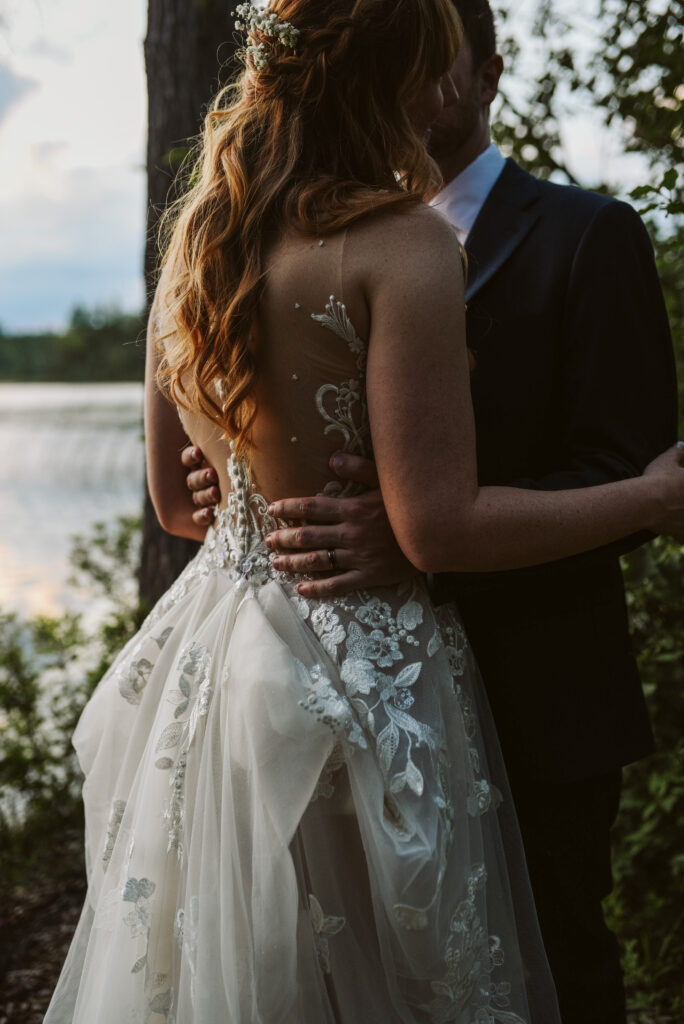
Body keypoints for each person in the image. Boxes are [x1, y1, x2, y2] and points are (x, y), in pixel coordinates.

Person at [46, 1, 684, 1021]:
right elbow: (434, 523)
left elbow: (175, 502)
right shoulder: (408, 245)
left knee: (250, 964)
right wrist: (660, 495)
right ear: (394, 79)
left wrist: (256, 492)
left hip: (231, 673)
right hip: (377, 678)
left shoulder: (198, 244)